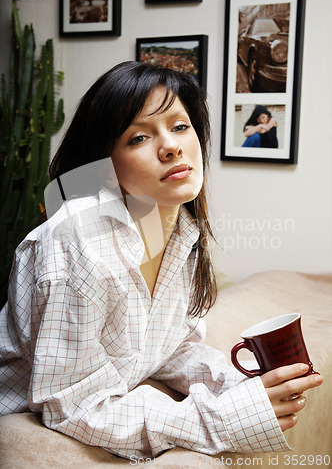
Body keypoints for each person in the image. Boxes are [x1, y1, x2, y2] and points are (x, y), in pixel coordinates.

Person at [0, 62, 323, 461]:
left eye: (180, 126)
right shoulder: (77, 240)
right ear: (105, 166)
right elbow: (71, 405)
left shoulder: (180, 229)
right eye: (138, 137)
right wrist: (223, 419)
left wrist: (245, 387)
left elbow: (173, 347)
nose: (170, 146)